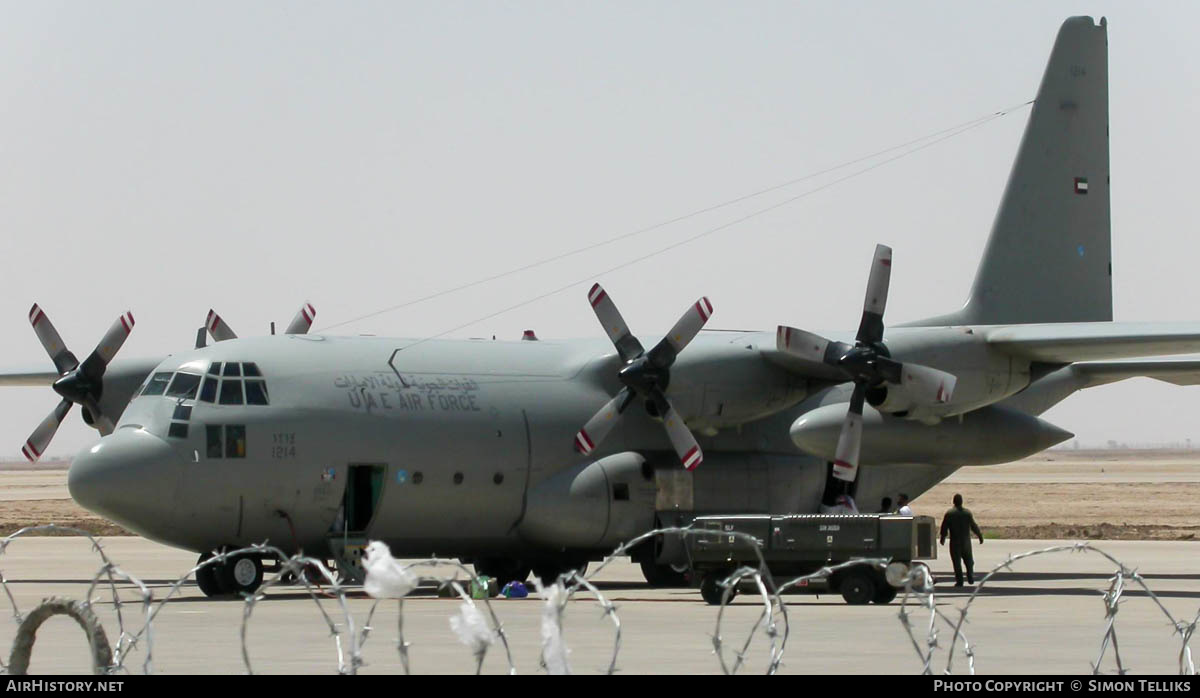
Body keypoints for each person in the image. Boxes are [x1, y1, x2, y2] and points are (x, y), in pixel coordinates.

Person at [939, 493, 984, 586]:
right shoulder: (967, 513)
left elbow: (944, 527)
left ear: (953, 502)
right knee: (969, 560)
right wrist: (979, 535)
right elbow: (973, 526)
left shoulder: (950, 513)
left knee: (957, 562)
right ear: (961, 502)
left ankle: (960, 581)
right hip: (966, 542)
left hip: (955, 542)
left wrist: (943, 537)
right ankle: (970, 575)